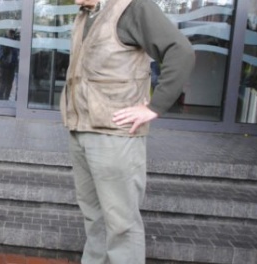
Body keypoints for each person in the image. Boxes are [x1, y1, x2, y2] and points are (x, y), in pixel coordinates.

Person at [59, 0, 195, 263]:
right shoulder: (86, 14)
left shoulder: (134, 7)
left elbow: (181, 52)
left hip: (115, 135)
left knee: (122, 226)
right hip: (81, 130)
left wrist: (155, 107)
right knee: (94, 219)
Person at [0, 29, 19, 100]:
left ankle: (6, 98)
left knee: (9, 84)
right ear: (7, 32)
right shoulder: (3, 40)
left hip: (12, 64)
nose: (12, 34)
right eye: (10, 33)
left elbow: (16, 51)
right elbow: (2, 53)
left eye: (13, 33)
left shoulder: (15, 40)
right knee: (3, 83)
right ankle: (0, 99)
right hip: (4, 65)